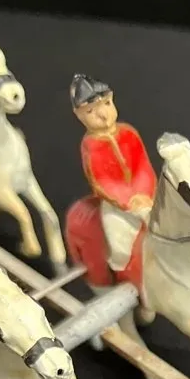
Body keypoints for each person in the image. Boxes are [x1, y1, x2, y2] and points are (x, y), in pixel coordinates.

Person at [70, 73, 156, 272]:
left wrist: (144, 194)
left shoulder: (129, 133)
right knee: (118, 240)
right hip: (117, 204)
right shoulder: (90, 145)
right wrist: (127, 202)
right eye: (91, 111)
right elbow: (101, 180)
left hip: (146, 196)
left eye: (107, 104)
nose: (103, 114)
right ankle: (122, 270)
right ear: (80, 115)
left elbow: (143, 166)